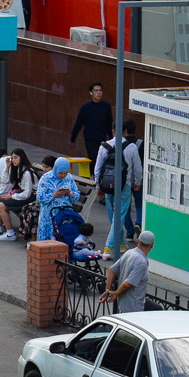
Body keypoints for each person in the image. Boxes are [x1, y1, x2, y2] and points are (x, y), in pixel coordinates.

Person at [94, 120, 143, 257]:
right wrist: (137, 182)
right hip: (124, 185)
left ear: (113, 131)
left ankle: (120, 243)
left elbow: (97, 169)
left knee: (113, 216)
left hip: (107, 185)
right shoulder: (131, 147)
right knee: (119, 216)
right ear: (125, 131)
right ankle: (109, 248)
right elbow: (138, 168)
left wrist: (98, 185)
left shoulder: (104, 146)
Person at [102, 230, 155, 313]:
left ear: (138, 241)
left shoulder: (129, 252)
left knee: (156, 308)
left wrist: (108, 290)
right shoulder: (141, 262)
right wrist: (116, 293)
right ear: (152, 245)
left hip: (125, 302)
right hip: (134, 306)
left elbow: (112, 270)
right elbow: (127, 283)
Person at [0, 149, 37, 240]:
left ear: (22, 158)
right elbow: (5, 181)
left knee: (1, 206)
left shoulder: (27, 172)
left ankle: (10, 233)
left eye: (16, 157)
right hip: (22, 194)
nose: (13, 160)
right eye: (12, 158)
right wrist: (8, 168)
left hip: (31, 196)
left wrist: (11, 196)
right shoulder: (17, 169)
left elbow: (27, 194)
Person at [34, 156, 79, 242]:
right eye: (61, 173)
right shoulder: (46, 178)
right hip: (49, 214)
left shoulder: (69, 178)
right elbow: (40, 197)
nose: (63, 175)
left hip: (64, 214)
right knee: (47, 240)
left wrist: (70, 194)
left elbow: (76, 196)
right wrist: (54, 195)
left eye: (65, 173)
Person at [70, 82, 113, 166]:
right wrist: (72, 139)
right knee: (93, 158)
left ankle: (93, 176)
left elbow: (109, 123)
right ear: (91, 92)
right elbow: (78, 124)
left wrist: (111, 138)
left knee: (101, 158)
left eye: (100, 90)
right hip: (90, 139)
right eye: (96, 91)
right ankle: (92, 176)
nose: (98, 93)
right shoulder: (85, 108)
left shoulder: (106, 106)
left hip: (102, 138)